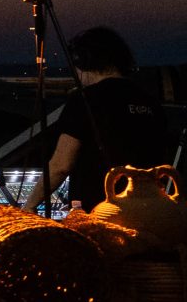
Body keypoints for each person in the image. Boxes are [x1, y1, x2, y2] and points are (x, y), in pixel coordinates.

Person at [28, 26, 169, 212]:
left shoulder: (84, 100)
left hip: (101, 212)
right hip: (149, 209)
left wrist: (29, 206)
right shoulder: (150, 101)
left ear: (83, 61)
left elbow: (61, 165)